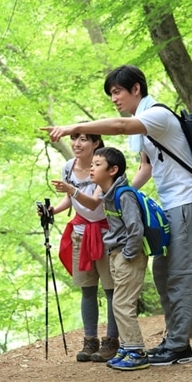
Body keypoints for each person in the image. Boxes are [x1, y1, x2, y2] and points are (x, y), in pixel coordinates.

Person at [41, 64, 192, 366]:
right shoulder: (143, 127)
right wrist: (120, 196)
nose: (114, 98)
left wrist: (70, 128)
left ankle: (179, 345)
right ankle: (174, 339)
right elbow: (147, 166)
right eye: (111, 94)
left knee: (180, 272)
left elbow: (118, 127)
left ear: (136, 89)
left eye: (117, 92)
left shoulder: (156, 114)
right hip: (170, 202)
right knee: (162, 271)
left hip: (187, 200)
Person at [43, 133, 119, 363]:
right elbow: (71, 200)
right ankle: (90, 340)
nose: (77, 143)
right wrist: (53, 211)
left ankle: (111, 341)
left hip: (105, 234)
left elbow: (95, 202)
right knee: (87, 289)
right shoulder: (69, 167)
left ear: (96, 143)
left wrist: (72, 190)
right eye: (74, 138)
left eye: (84, 139)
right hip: (80, 234)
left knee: (110, 289)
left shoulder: (102, 166)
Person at [88, 146, 149, 370]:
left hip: (127, 256)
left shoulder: (123, 195)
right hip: (116, 254)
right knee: (118, 304)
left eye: (97, 165)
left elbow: (135, 228)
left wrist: (127, 255)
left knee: (123, 304)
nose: (91, 168)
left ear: (113, 170)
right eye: (92, 164)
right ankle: (127, 347)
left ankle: (136, 351)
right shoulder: (110, 195)